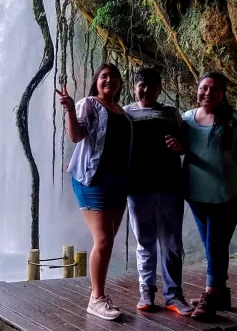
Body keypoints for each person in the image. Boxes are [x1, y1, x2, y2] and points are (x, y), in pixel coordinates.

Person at [182, 72, 237, 320]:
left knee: (215, 245)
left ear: (223, 94)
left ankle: (210, 296)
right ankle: (220, 293)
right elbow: (181, 147)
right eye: (204, 88)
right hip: (196, 194)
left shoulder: (235, 119)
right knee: (212, 246)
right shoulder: (187, 118)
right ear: (197, 90)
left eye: (215, 89)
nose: (208, 93)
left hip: (227, 194)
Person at [57, 63, 132, 321]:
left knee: (108, 241)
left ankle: (100, 294)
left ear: (120, 83)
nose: (109, 79)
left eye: (113, 76)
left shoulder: (123, 111)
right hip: (92, 180)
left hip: (118, 183)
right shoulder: (89, 103)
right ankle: (96, 299)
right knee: (103, 240)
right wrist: (68, 109)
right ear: (97, 82)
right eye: (104, 76)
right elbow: (77, 135)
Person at [123, 68, 193, 315]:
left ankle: (174, 294)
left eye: (151, 86)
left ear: (159, 90)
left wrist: (179, 146)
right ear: (134, 88)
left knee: (172, 242)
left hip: (169, 186)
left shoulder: (171, 113)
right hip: (137, 188)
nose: (146, 89)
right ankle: (147, 292)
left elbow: (187, 145)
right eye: (141, 85)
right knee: (144, 241)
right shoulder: (126, 113)